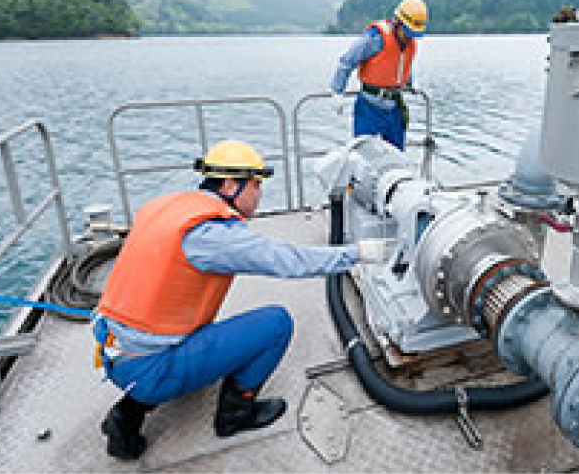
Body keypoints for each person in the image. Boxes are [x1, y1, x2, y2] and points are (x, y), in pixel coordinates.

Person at [92, 140, 390, 460]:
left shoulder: (169, 206)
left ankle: (125, 416)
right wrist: (359, 253)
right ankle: (235, 416)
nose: (259, 193)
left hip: (112, 348)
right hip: (148, 366)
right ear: (232, 185)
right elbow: (290, 260)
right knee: (275, 324)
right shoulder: (214, 234)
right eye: (256, 184)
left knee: (196, 336)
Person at [330, 0, 428, 151]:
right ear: (397, 22)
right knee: (364, 157)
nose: (410, 37)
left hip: (394, 108)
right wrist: (337, 91)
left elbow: (402, 63)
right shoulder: (375, 38)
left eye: (413, 33)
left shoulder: (409, 42)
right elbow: (347, 61)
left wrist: (410, 83)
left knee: (396, 157)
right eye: (407, 31)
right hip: (370, 108)